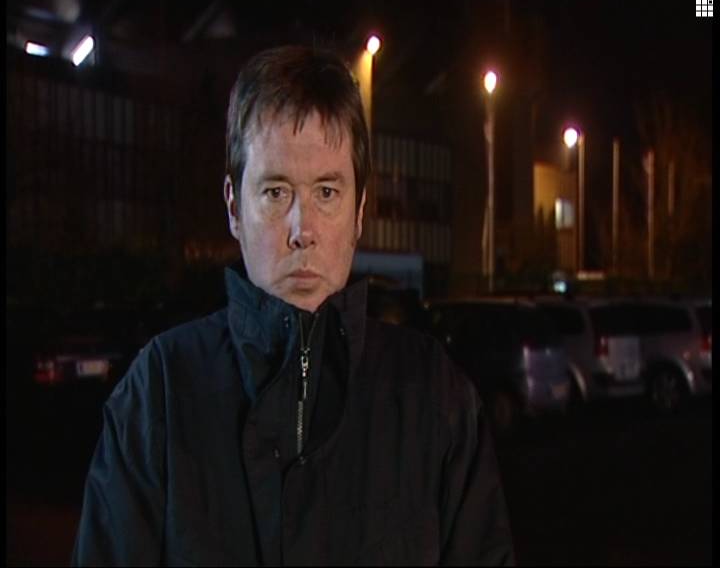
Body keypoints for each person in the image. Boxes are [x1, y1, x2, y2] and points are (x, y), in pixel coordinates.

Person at [72, 44, 515, 566]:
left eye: (327, 192)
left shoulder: (435, 397)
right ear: (234, 207)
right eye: (276, 193)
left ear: (359, 210)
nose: (303, 230)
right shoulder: (160, 395)